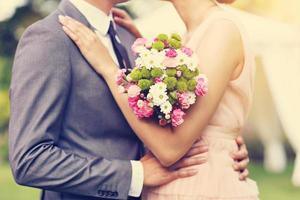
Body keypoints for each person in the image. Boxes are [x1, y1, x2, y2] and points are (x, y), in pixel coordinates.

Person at [9, 0, 251, 200]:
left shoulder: (127, 37)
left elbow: (169, 119)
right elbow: (30, 159)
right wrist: (136, 175)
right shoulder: (49, 37)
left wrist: (220, 145)